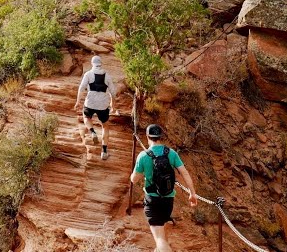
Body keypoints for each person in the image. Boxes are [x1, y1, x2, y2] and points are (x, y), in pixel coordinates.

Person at [131, 124, 197, 252]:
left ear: (147, 136)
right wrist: (192, 193)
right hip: (168, 199)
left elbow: (134, 179)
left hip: (152, 200)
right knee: (161, 236)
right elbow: (185, 173)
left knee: (159, 239)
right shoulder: (171, 153)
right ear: (161, 137)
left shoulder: (143, 156)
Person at [74, 56, 116, 160]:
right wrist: (113, 105)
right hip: (103, 104)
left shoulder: (88, 74)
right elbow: (113, 92)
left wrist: (78, 102)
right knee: (105, 126)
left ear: (92, 63)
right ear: (100, 63)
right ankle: (104, 152)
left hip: (90, 103)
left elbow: (81, 88)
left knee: (86, 117)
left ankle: (92, 132)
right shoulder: (107, 75)